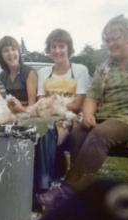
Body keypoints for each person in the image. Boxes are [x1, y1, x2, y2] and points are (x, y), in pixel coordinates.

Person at [37, 15, 128, 209]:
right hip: (104, 115)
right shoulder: (105, 66)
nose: (110, 44)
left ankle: (67, 190)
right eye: (107, 40)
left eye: (114, 38)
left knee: (100, 134)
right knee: (77, 133)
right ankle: (81, 188)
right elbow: (92, 95)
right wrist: (89, 114)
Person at [33, 29, 91, 196]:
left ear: (69, 48)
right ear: (49, 49)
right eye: (53, 47)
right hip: (47, 116)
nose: (57, 50)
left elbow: (78, 103)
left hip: (70, 117)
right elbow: (41, 101)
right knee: (34, 129)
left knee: (49, 129)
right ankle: (37, 180)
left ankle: (46, 185)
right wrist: (48, 108)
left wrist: (56, 108)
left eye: (61, 46)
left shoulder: (80, 70)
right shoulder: (44, 73)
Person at [0, 36, 38, 109]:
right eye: (6, 50)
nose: (10, 53)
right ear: (1, 56)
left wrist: (20, 109)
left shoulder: (29, 72)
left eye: (13, 49)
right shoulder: (3, 76)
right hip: (11, 115)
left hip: (28, 117)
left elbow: (33, 107)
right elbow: (6, 104)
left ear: (19, 52)